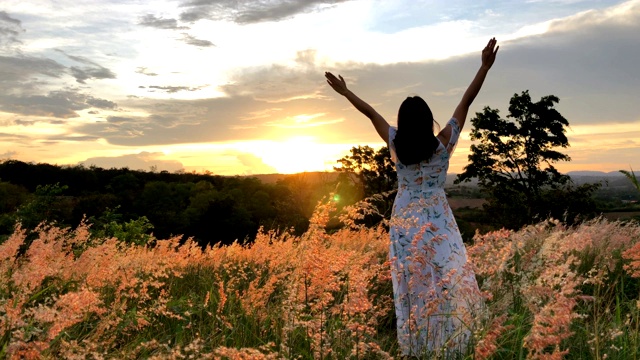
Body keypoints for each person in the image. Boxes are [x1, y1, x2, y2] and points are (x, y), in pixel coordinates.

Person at [325, 38, 499, 357]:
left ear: (403, 123)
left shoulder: (395, 143)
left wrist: (346, 92)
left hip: (405, 221)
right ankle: (455, 344)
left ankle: (419, 346)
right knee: (447, 279)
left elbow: (370, 113)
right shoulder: (444, 142)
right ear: (428, 119)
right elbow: (466, 102)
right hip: (438, 219)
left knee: (413, 285)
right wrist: (483, 68)